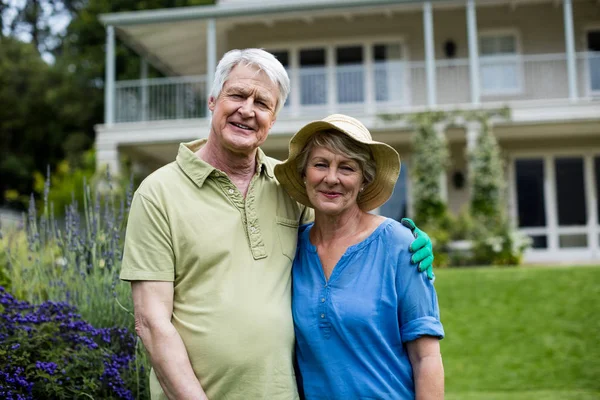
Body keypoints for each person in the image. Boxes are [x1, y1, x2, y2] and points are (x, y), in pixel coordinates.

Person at [120, 49, 434, 400]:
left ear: (273, 118)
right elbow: (151, 322)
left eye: (262, 103)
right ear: (212, 100)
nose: (247, 110)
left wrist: (409, 243)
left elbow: (343, 235)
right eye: (237, 95)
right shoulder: (159, 192)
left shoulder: (291, 189)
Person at [274, 114, 445, 399]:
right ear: (304, 175)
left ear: (364, 180)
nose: (331, 178)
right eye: (320, 165)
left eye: (347, 167)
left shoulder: (401, 246)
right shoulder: (292, 248)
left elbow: (425, 358)